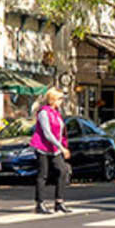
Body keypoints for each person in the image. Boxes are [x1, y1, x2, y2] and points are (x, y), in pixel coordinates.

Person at [31, 84, 72, 214]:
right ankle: (40, 203)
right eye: (59, 99)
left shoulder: (57, 113)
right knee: (43, 174)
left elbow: (60, 132)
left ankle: (59, 202)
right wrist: (62, 148)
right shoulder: (44, 112)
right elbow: (47, 133)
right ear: (53, 99)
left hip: (55, 149)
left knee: (63, 170)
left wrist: (62, 146)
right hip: (42, 147)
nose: (61, 102)